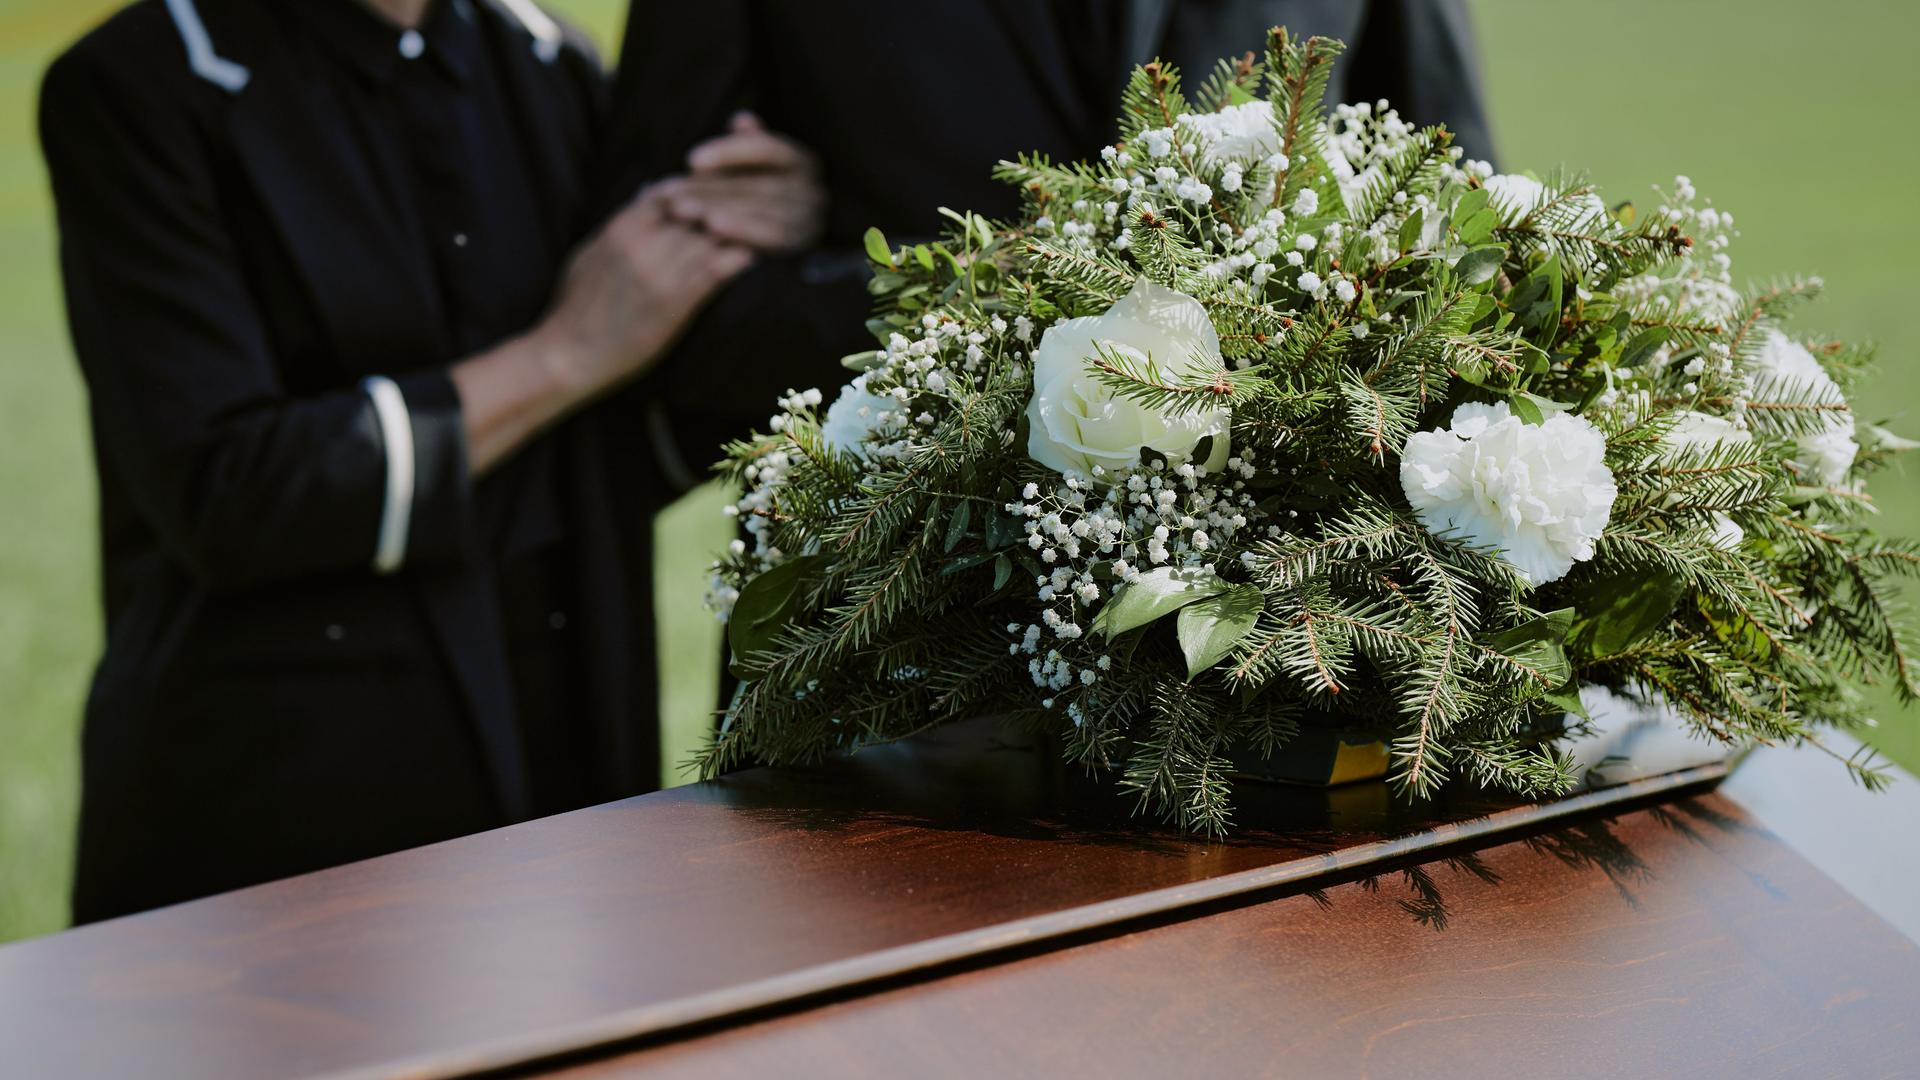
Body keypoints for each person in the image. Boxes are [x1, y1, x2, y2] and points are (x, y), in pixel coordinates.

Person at [38, 0, 823, 923]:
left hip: (567, 787)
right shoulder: (142, 81)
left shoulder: (551, 61)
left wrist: (759, 220)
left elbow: (614, 433)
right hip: (279, 836)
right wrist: (563, 352)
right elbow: (226, 493)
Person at [603, 0, 1498, 480]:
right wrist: (995, 311)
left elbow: (1461, 250)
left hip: (1283, 647)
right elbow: (657, 302)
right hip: (877, 658)